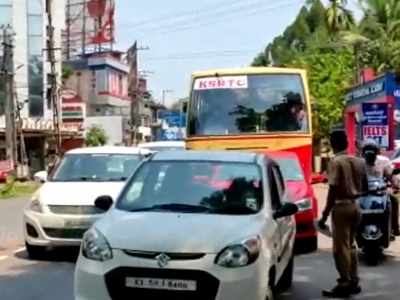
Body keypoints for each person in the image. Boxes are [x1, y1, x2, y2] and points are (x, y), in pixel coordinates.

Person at [319, 130, 368, 298]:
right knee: (351, 245)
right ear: (347, 143)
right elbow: (366, 187)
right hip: (356, 206)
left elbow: (332, 191)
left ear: (333, 144)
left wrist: (324, 215)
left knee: (340, 249)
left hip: (341, 208)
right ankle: (354, 281)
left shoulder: (335, 162)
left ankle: (344, 283)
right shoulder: (360, 162)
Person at [362, 141, 400, 237]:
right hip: (362, 192)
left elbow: (390, 174)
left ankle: (394, 228)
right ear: (363, 153)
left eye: (372, 152)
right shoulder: (358, 162)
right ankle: (351, 232)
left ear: (377, 152)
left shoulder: (384, 161)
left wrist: (395, 184)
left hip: (380, 191)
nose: (369, 154)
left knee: (393, 200)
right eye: (367, 152)